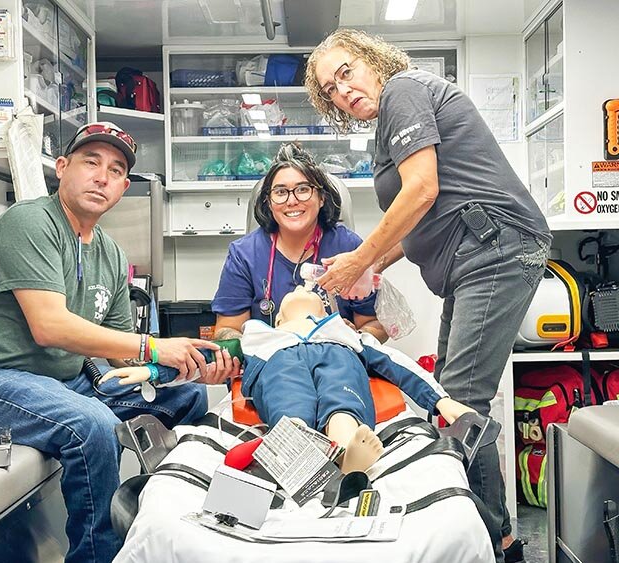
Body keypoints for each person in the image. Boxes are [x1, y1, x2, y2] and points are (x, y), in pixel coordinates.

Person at [305, 29, 551, 562]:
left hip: (496, 247)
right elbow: (419, 218)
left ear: (372, 59)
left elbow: (422, 190)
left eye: (345, 72)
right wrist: (370, 264)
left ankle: (496, 541)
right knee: (449, 393)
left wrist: (361, 258)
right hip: (474, 258)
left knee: (461, 401)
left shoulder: (403, 91)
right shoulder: (387, 125)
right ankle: (491, 533)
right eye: (330, 89)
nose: (342, 90)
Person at [0, 121, 238, 563]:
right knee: (92, 425)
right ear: (63, 168)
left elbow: (118, 347)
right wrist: (153, 348)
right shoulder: (30, 222)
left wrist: (175, 364)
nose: (102, 176)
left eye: (116, 169)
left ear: (124, 186)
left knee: (187, 396)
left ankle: (160, 522)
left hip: (65, 381)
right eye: (91, 162)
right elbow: (50, 326)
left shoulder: (110, 252)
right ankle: (98, 556)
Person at [102, 285, 474, 473]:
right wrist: (152, 370)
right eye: (291, 294)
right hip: (279, 364)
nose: (301, 287)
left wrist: (440, 400)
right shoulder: (258, 336)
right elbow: (206, 358)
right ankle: (291, 439)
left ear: (328, 310)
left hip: (337, 358)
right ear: (277, 320)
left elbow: (395, 363)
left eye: (310, 291)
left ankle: (345, 441)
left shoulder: (344, 334)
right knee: (288, 400)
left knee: (341, 392)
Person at [211, 143, 387, 348]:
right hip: (271, 367)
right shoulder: (244, 254)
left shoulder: (349, 247)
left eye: (303, 190)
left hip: (337, 363)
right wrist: (256, 343)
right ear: (268, 202)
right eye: (280, 192)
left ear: (321, 198)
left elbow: (375, 324)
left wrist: (353, 336)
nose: (292, 201)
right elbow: (227, 327)